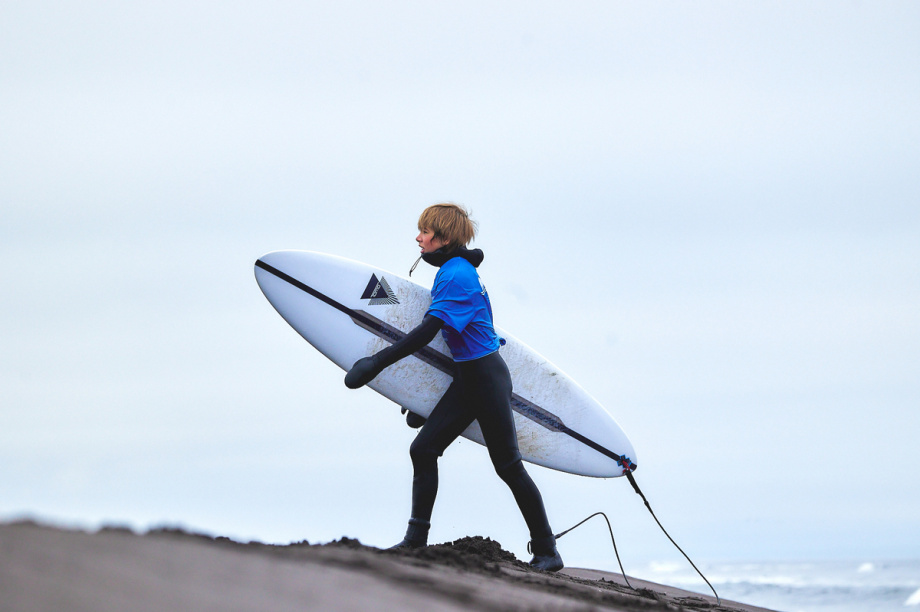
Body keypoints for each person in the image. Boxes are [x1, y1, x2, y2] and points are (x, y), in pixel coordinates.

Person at [344, 203, 563, 572]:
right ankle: (415, 539)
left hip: (486, 379)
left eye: (425, 232)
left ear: (444, 238)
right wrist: (420, 399)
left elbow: (428, 332)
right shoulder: (455, 270)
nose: (418, 237)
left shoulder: (455, 275)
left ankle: (547, 551)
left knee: (508, 465)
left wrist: (375, 365)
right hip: (470, 376)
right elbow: (451, 343)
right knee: (424, 448)